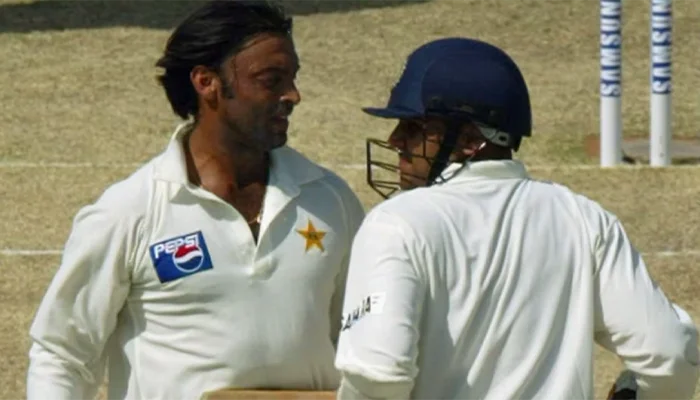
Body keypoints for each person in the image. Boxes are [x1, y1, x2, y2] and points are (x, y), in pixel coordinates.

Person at [26, 1, 365, 399]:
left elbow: (363, 340)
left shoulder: (330, 200)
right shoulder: (129, 211)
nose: (293, 95)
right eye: (271, 80)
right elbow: (63, 353)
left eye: (292, 78)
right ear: (207, 82)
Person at [333, 37, 699, 400]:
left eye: (413, 128)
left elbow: (377, 376)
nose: (396, 140)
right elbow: (670, 354)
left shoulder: (395, 224)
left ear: (470, 139)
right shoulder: (584, 218)